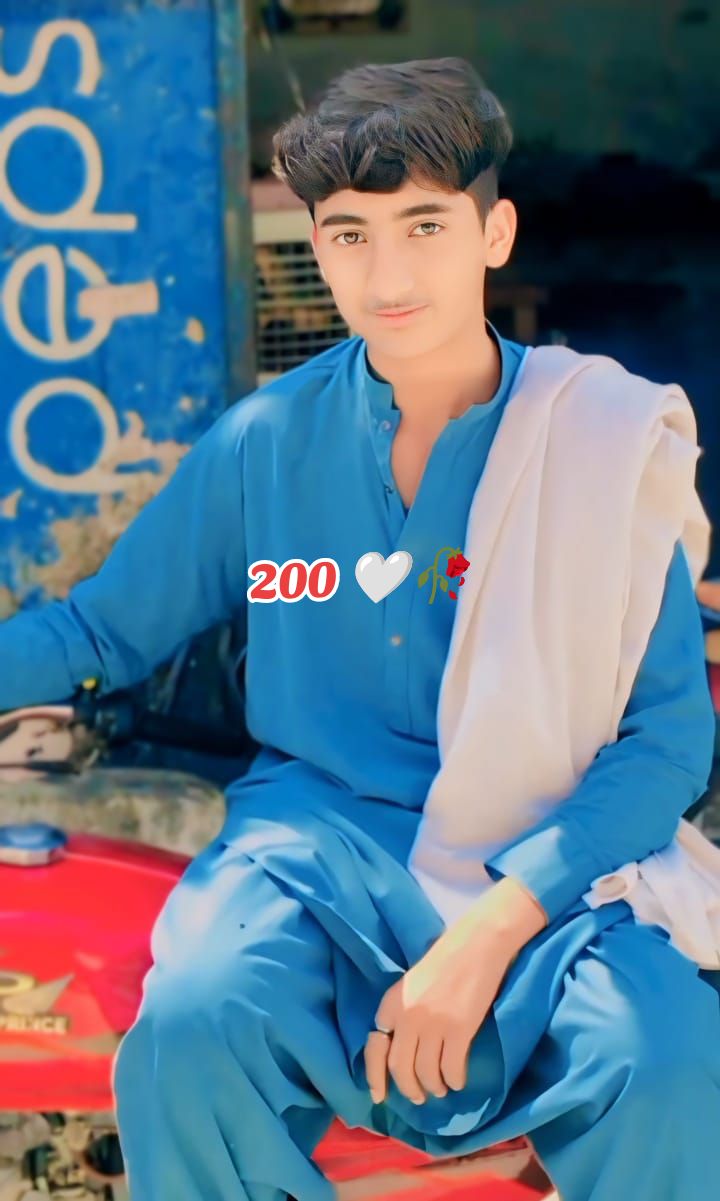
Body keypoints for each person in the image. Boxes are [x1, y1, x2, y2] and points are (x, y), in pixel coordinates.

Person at [1, 56, 719, 1201]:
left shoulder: (597, 441)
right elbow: (99, 633)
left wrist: (498, 922)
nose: (387, 274)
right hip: (305, 857)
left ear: (494, 234)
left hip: (546, 865)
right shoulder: (265, 441)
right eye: (349, 235)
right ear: (317, 247)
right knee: (187, 1029)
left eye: (425, 226)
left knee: (670, 1057)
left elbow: (668, 741)